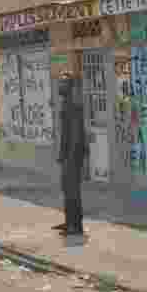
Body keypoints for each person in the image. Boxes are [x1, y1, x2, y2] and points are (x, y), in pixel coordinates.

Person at [55, 73, 88, 236]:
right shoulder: (66, 103)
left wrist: (70, 157)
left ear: (69, 87)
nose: (60, 86)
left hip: (73, 155)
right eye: (60, 83)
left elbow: (75, 134)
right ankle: (69, 221)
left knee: (72, 190)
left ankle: (75, 226)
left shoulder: (73, 105)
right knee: (66, 189)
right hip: (67, 154)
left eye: (63, 83)